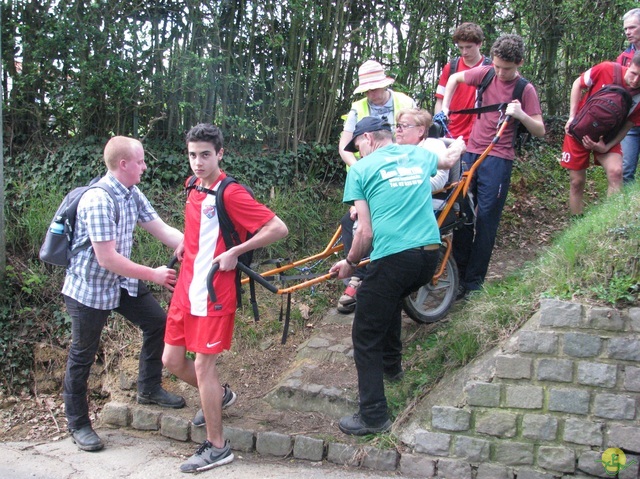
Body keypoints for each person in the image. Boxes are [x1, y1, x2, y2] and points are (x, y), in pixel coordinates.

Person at [162, 124, 288, 473]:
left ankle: (218, 447)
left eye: (205, 154)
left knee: (203, 366)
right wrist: (184, 245)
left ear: (220, 154)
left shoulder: (229, 193)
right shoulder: (192, 186)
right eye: (192, 155)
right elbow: (198, 231)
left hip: (215, 292)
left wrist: (236, 250)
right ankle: (221, 396)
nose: (198, 162)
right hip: (186, 290)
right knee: (172, 360)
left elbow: (278, 227)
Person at [329, 117, 466, 436]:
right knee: (387, 301)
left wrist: (350, 263)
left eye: (357, 146)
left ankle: (373, 415)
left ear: (367, 139)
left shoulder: (361, 171)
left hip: (394, 257)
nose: (357, 153)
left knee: (365, 333)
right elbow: (448, 158)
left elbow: (364, 231)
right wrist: (458, 141)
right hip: (428, 257)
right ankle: (392, 370)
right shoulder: (418, 154)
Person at [62, 136, 186, 452]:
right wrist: (154, 274)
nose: (145, 167)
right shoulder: (99, 200)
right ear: (124, 164)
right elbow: (107, 258)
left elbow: (159, 227)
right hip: (89, 290)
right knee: (83, 353)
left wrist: (187, 243)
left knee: (158, 323)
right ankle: (78, 424)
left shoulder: (131, 193)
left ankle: (148, 388)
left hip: (121, 285)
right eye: (141, 161)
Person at [440, 34, 545, 297]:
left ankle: (474, 283)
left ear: (518, 63)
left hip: (498, 159)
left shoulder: (525, 89)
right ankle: (458, 277)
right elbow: (454, 79)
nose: (500, 72)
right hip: (470, 153)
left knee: (486, 221)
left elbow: (540, 129)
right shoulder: (486, 74)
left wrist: (520, 114)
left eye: (506, 69)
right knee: (462, 216)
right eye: (497, 66)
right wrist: (445, 108)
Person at [336, 60, 416, 314]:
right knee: (350, 221)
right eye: (368, 89)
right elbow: (344, 147)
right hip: (368, 176)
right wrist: (363, 167)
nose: (372, 94)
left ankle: (360, 275)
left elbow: (419, 137)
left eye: (376, 88)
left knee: (366, 224)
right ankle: (361, 272)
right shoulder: (357, 109)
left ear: (385, 83)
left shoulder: (405, 103)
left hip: (399, 171)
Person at [560, 52, 640, 216]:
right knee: (577, 181)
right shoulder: (606, 69)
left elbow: (628, 125)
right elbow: (578, 84)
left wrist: (606, 147)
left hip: (608, 136)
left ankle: (608, 222)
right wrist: (571, 117)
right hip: (579, 130)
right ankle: (577, 221)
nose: (636, 80)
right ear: (629, 65)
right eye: (634, 73)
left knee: (616, 172)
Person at [434, 22, 490, 141]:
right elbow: (440, 100)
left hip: (479, 136)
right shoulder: (451, 68)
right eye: (461, 47)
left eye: (469, 47)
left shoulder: (491, 68)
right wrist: (439, 126)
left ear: (479, 44)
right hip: (451, 133)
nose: (464, 52)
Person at [617, 8, 640, 183]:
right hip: (631, 122)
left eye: (632, 27)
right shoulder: (624, 58)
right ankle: (625, 210)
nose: (628, 32)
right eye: (625, 29)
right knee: (625, 171)